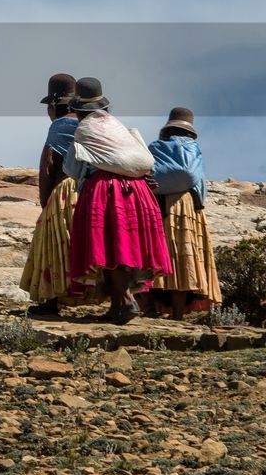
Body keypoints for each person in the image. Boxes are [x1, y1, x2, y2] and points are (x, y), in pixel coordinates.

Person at [64, 77, 172, 324]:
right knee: (123, 245)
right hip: (137, 191)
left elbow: (71, 166)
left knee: (110, 246)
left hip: (104, 190)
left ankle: (124, 300)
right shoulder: (119, 128)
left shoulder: (84, 130)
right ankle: (116, 307)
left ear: (78, 110)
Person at [146, 108, 221, 320]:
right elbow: (199, 183)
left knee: (159, 254)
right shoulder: (193, 150)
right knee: (184, 257)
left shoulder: (155, 147)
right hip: (188, 207)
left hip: (160, 206)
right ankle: (177, 314)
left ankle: (150, 308)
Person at [21, 74, 80, 317]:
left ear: (54, 107)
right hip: (91, 192)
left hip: (65, 192)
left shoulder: (60, 125)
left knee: (55, 245)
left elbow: (49, 164)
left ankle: (51, 300)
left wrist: (47, 201)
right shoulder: (88, 123)